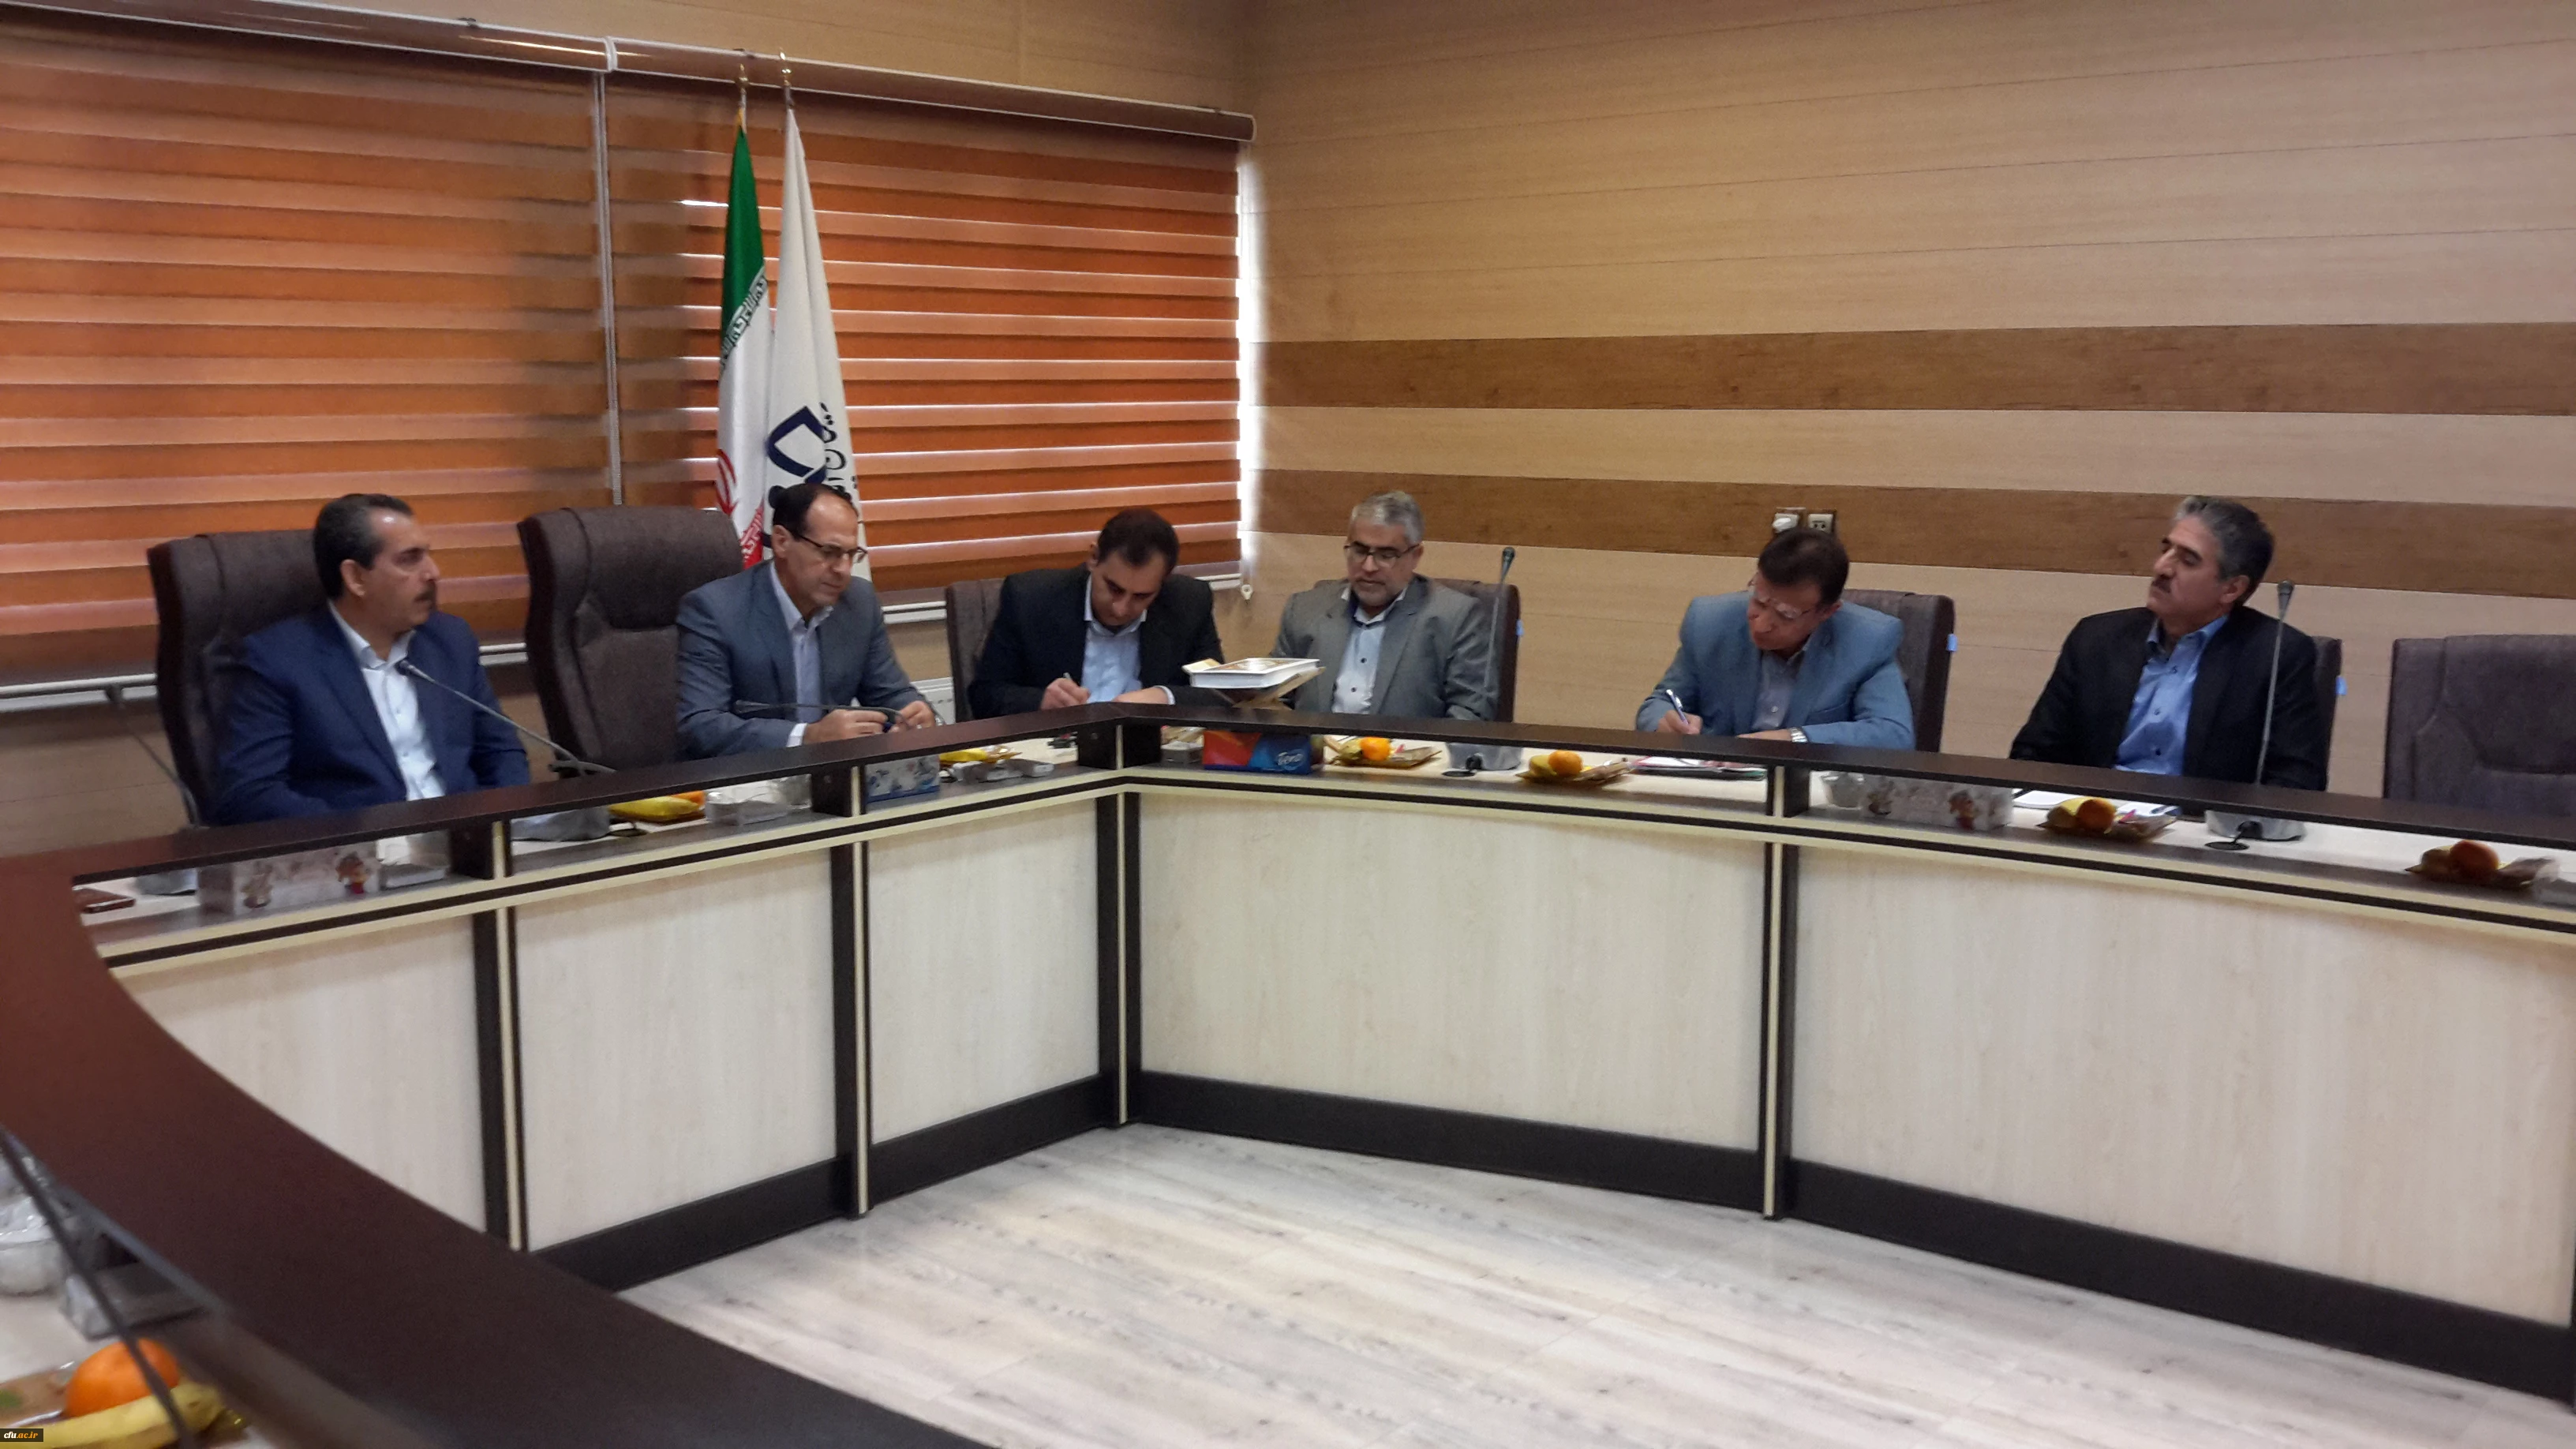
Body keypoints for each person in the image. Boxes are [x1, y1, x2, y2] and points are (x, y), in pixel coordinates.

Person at [212, 493, 528, 824]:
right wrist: (365, 839)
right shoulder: (277, 660)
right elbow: (251, 794)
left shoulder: (450, 640)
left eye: (428, 555)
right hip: (359, 847)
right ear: (356, 578)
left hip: (471, 838)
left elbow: (501, 751)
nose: (433, 573)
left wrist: (501, 827)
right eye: (410, 559)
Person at [2011, 496, 2325, 788]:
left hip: (2197, 825)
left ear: (2231, 589)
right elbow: (2034, 756)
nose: (2161, 568)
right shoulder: (2097, 639)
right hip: (2094, 817)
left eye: (2188, 560)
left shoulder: (2276, 655)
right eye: (2165, 550)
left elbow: (2296, 782)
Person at [676, 481, 933, 758]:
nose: (843, 570)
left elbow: (890, 695)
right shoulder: (715, 609)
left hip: (834, 775)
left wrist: (913, 713)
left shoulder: (858, 602)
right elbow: (700, 725)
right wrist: (807, 737)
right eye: (829, 552)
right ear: (782, 542)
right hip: (749, 777)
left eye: (851, 554)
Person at [1635, 527, 1914, 748]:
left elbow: (1893, 735)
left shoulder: (1868, 640)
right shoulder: (1709, 622)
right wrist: (1664, 722)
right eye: (1759, 600)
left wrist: (1793, 740)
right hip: (1716, 784)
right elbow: (1659, 704)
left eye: (1786, 614)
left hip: (1803, 790)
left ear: (1827, 612)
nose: (1763, 624)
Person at [967, 507, 1227, 717]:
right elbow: (984, 697)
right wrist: (1040, 701)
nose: (1121, 609)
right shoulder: (1030, 599)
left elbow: (1221, 692)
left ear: (1164, 581)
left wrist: (1165, 696)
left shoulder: (1189, 602)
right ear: (1093, 558)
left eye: (1141, 596)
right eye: (1114, 588)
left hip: (1149, 751)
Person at [1271, 491, 1496, 720]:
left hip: (1408, 744)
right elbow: (1273, 700)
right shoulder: (1304, 610)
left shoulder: (1456, 617)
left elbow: (1471, 714)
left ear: (1416, 555)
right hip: (1313, 743)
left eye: (1386, 555)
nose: (1368, 567)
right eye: (1360, 551)